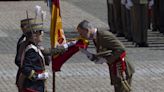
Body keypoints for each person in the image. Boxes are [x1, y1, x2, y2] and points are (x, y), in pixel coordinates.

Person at [76, 20, 135, 92]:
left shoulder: (103, 35)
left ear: (87, 30)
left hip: (122, 67)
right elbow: (104, 53)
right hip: (115, 67)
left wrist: (107, 60)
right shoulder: (96, 37)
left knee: (123, 90)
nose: (81, 36)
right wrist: (88, 54)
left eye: (81, 33)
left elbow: (121, 49)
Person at [16, 23, 77, 92]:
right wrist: (38, 76)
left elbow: (49, 51)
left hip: (37, 86)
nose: (42, 34)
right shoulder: (31, 50)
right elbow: (25, 67)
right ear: (34, 36)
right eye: (40, 32)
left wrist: (68, 45)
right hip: (32, 86)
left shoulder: (35, 46)